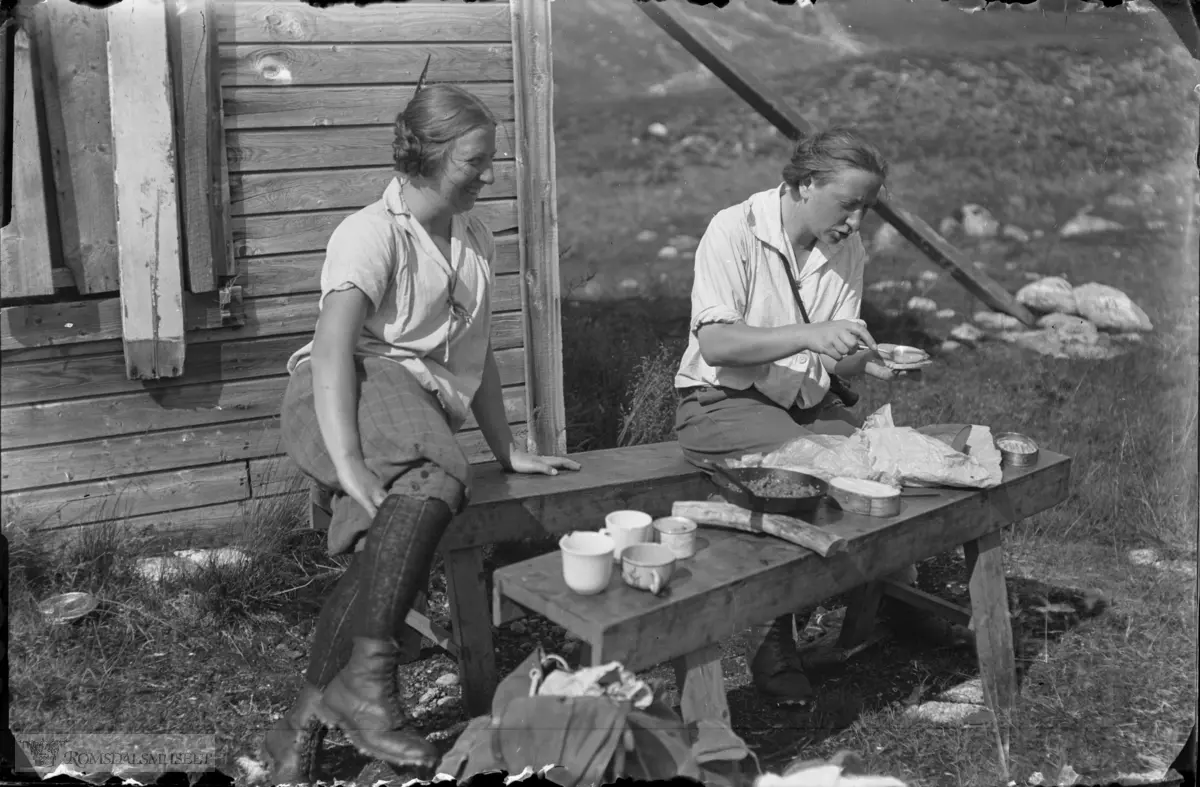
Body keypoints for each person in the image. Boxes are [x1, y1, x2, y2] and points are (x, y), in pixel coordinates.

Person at [260, 84, 580, 785]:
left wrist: (508, 448)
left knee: (387, 548)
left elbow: (477, 350)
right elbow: (333, 343)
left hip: (405, 403)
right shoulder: (370, 233)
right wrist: (346, 461)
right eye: (477, 159)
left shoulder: (475, 238)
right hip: (345, 388)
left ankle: (303, 728)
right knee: (438, 473)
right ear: (429, 157)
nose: (489, 174)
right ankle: (369, 686)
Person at [674, 127, 916, 706]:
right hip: (721, 405)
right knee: (808, 477)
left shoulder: (846, 249)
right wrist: (812, 334)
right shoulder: (734, 230)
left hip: (802, 404)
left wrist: (865, 357)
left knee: (884, 470)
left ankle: (894, 607)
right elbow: (718, 345)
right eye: (849, 204)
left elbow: (839, 354)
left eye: (867, 209)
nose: (857, 222)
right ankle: (771, 639)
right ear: (806, 184)